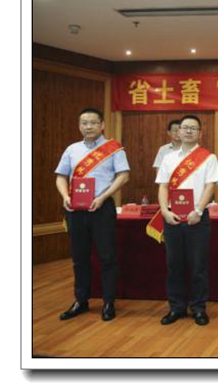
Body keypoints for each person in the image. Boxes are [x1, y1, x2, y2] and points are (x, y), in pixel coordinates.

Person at [55, 107, 130, 322]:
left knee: (107, 257)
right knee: (79, 257)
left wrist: (103, 196)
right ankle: (81, 300)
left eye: (93, 123)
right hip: (75, 209)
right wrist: (65, 196)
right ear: (79, 126)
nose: (88, 127)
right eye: (84, 123)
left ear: (102, 125)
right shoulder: (72, 149)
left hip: (101, 207)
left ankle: (108, 302)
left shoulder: (114, 149)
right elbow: (61, 176)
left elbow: (123, 176)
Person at [155, 115, 218, 326]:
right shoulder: (168, 158)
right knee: (174, 265)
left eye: (193, 128)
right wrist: (164, 211)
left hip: (197, 218)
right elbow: (163, 186)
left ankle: (199, 308)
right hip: (172, 217)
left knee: (198, 266)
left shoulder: (208, 157)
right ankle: (176, 308)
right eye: (185, 128)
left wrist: (198, 211)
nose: (188, 131)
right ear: (178, 132)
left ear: (200, 133)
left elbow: (210, 186)